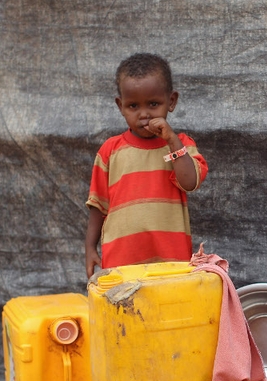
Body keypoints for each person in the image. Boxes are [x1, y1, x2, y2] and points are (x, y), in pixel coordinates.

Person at [84, 53, 208, 278]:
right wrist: (90, 248)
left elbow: (190, 182)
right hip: (121, 264)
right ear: (120, 106)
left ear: (171, 102)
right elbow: (98, 205)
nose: (144, 114)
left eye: (153, 104)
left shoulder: (181, 146)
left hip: (171, 264)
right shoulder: (109, 151)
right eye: (133, 106)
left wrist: (172, 140)